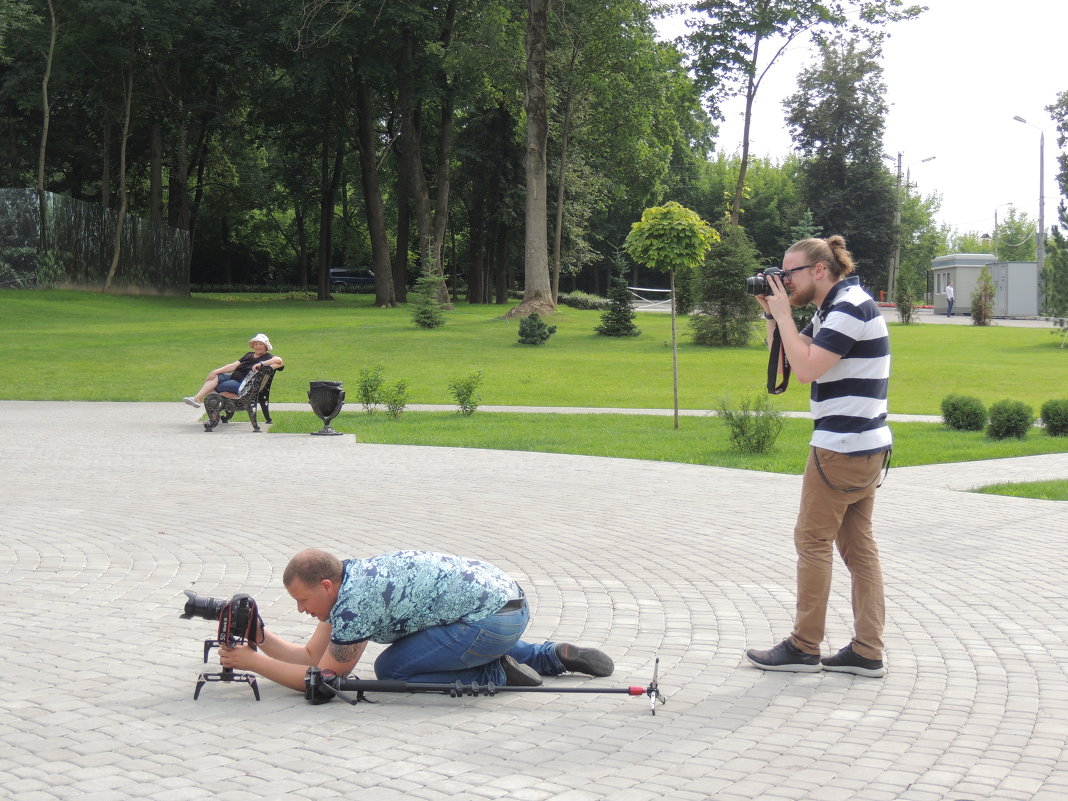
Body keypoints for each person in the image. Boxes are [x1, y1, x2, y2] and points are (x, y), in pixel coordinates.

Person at [746, 235, 891, 678]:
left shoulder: (848, 307)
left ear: (819, 271)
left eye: (790, 274)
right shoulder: (836, 306)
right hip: (864, 447)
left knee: (812, 543)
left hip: (841, 448)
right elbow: (790, 361)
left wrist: (786, 314)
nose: (783, 280)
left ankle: (804, 646)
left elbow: (808, 369)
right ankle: (867, 650)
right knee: (858, 549)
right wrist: (774, 315)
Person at [218, 549, 615, 692]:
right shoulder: (351, 579)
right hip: (508, 604)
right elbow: (309, 655)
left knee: (390, 669)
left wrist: (254, 664)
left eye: (302, 600)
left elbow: (322, 682)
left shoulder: (355, 605)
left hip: (489, 623)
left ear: (325, 585)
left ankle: (493, 675)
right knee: (441, 644)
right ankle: (552, 656)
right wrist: (261, 639)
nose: (302, 610)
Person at [182, 333, 283, 408]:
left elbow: (279, 361)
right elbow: (233, 366)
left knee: (213, 388)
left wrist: (261, 363)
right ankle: (197, 399)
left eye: (260, 344)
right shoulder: (249, 354)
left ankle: (205, 405)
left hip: (242, 383)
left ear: (266, 346)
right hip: (233, 377)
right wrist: (216, 371)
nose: (258, 346)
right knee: (214, 377)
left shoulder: (267, 357)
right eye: (256, 344)